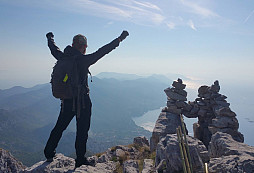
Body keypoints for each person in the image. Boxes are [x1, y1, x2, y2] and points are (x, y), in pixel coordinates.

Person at [44, 31, 129, 168]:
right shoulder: (83, 60)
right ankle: (80, 159)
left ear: (72, 45)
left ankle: (48, 152)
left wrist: (50, 38)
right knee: (82, 131)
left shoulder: (62, 56)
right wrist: (120, 39)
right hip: (82, 102)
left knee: (60, 127)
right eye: (85, 47)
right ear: (83, 47)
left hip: (67, 101)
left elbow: (53, 48)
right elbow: (103, 51)